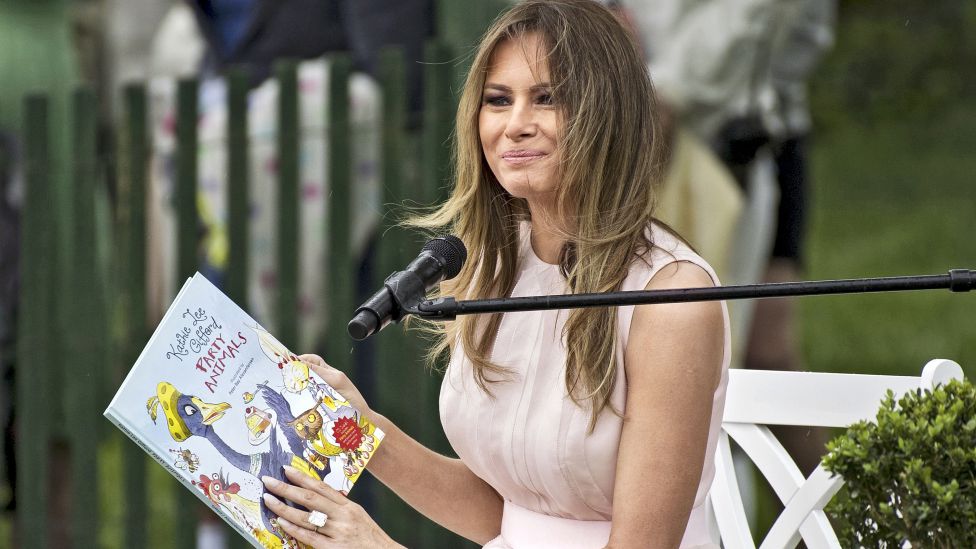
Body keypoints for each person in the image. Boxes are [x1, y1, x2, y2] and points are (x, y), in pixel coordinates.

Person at [260, 1, 730, 547]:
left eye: (548, 98)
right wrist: (361, 429)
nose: (515, 125)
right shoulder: (496, 265)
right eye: (498, 100)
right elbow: (510, 514)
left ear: (609, 114)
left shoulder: (672, 299)